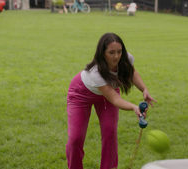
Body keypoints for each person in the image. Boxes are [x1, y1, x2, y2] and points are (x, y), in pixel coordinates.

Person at [66, 32, 156, 169]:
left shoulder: (125, 58)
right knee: (75, 139)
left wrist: (144, 89)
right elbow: (114, 99)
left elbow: (132, 72)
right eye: (111, 52)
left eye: (119, 51)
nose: (117, 56)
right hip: (80, 94)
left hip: (108, 93)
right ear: (103, 53)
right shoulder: (96, 72)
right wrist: (133, 107)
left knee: (110, 133)